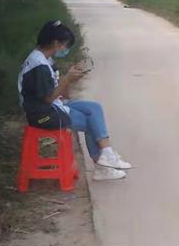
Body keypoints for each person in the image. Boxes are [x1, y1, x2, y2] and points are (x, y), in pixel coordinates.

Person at [18, 20, 132, 181]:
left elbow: (58, 93)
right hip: (42, 114)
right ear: (56, 43)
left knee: (94, 108)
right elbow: (48, 98)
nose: (66, 49)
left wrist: (71, 79)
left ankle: (106, 155)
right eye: (65, 45)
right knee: (91, 122)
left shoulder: (45, 59)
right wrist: (67, 79)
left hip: (52, 105)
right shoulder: (39, 66)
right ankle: (103, 164)